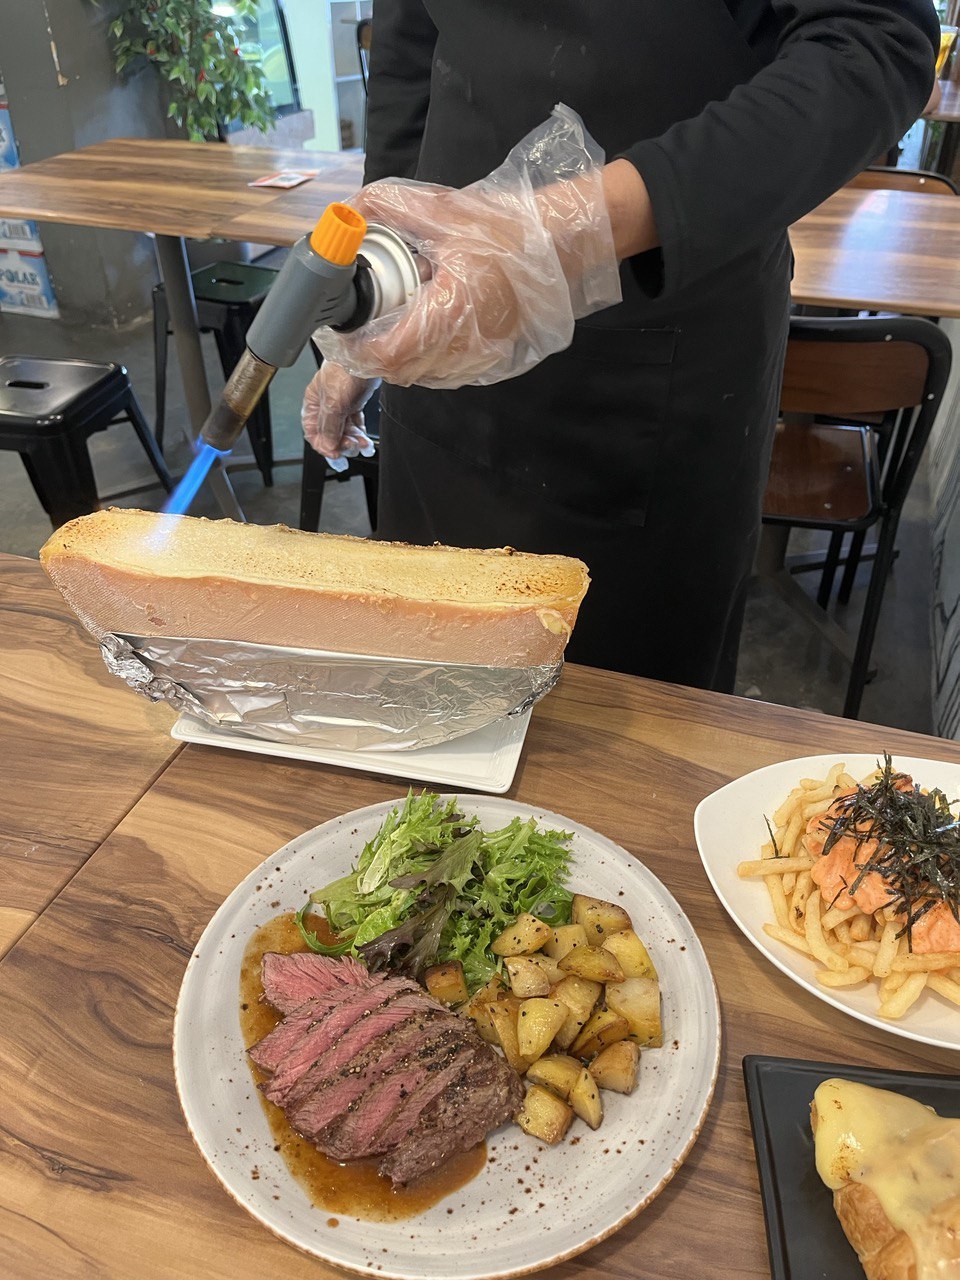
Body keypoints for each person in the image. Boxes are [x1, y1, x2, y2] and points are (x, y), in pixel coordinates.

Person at [300, 0, 939, 691]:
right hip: (438, 330)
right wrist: (381, 284)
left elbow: (872, 43)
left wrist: (572, 230)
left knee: (609, 725)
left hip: (648, 367)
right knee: (426, 679)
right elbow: (407, 57)